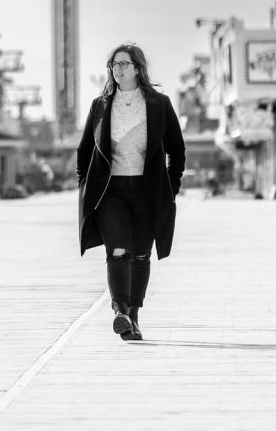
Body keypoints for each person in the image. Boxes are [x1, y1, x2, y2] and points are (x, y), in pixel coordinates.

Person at [76, 43, 185, 341]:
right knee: (118, 250)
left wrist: (171, 188)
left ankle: (133, 316)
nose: (118, 68)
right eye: (114, 64)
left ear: (138, 68)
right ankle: (120, 310)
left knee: (140, 254)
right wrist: (84, 184)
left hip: (147, 191)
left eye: (124, 63)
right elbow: (85, 148)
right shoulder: (100, 105)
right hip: (111, 193)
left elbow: (177, 148)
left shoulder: (158, 103)